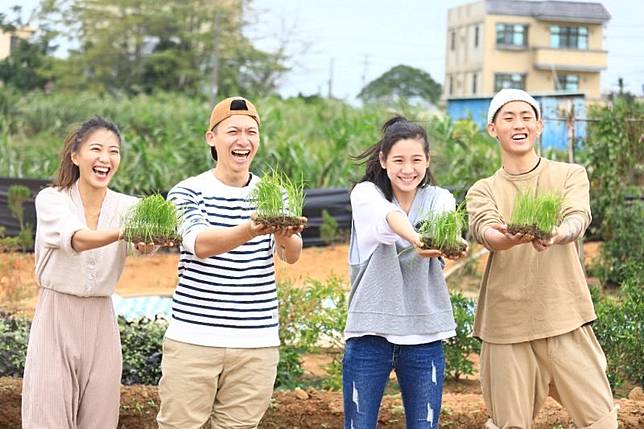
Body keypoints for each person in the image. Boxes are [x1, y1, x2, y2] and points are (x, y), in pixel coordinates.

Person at [466, 88, 618, 429]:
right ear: (493, 128)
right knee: (510, 424)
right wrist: (506, 238)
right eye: (508, 118)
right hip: (506, 325)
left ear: (539, 125)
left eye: (526, 117)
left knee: (601, 420)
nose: (518, 124)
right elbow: (485, 230)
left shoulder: (569, 174)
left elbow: (578, 216)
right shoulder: (483, 189)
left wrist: (559, 233)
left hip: (563, 315)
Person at [157, 96, 305, 429]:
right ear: (212, 138)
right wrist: (253, 227)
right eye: (232, 131)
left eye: (251, 132)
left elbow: (291, 254)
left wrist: (284, 233)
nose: (243, 140)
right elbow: (200, 244)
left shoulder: (274, 194)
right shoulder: (186, 191)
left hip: (256, 342)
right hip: (194, 338)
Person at [21, 117, 157, 428]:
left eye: (114, 152)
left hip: (102, 319)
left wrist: (151, 240)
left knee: (100, 415)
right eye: (96, 149)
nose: (105, 159)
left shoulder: (128, 206)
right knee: (47, 411)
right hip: (57, 315)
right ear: (75, 155)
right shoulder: (52, 199)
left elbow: (144, 246)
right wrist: (124, 233)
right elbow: (77, 238)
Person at [343, 116, 466, 429]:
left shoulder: (440, 198)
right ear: (383, 160)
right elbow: (389, 217)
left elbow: (446, 226)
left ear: (426, 161)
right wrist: (417, 238)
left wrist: (450, 242)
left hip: (425, 334)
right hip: (370, 332)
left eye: (416, 160)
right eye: (398, 160)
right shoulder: (366, 194)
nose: (408, 169)